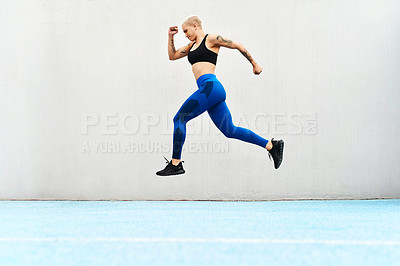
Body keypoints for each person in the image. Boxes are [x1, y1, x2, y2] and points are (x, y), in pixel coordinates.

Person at [156, 16, 284, 176]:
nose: (185, 35)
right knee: (230, 130)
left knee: (179, 118)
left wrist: (254, 63)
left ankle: (176, 163)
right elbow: (172, 56)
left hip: (210, 87)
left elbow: (237, 45)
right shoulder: (191, 46)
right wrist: (170, 36)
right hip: (210, 91)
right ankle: (272, 146)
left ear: (195, 26)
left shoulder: (211, 39)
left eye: (186, 31)